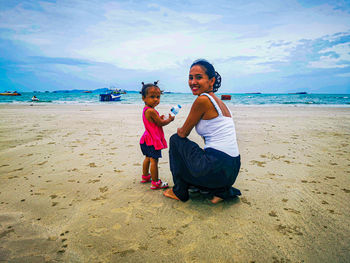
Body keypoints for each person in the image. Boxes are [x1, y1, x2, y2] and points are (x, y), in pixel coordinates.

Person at [163, 59, 241, 204]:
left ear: (211, 81)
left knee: (175, 140)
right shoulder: (221, 103)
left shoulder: (203, 100)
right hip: (231, 170)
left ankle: (179, 191)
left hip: (217, 168)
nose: (193, 82)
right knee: (199, 153)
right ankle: (218, 190)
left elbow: (183, 133)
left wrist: (177, 126)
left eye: (199, 77)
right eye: (190, 77)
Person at [140, 81, 175, 189]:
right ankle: (156, 182)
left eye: (158, 97)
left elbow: (154, 122)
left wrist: (160, 118)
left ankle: (145, 176)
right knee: (154, 160)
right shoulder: (151, 111)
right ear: (144, 98)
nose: (156, 99)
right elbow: (160, 123)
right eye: (152, 97)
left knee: (147, 158)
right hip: (152, 140)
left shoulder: (147, 109)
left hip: (146, 139)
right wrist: (169, 120)